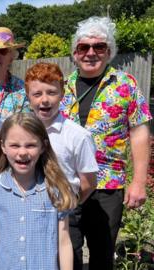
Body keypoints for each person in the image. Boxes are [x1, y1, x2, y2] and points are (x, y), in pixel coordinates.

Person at [60, 16, 152, 269]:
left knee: (102, 253)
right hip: (67, 183)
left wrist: (138, 183)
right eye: (83, 47)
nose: (91, 53)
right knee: (68, 251)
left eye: (99, 47)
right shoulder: (61, 87)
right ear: (75, 53)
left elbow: (140, 132)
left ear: (109, 52)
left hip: (107, 183)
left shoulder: (126, 85)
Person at [0, 113, 77, 270]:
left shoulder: (56, 187)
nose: (22, 152)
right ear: (3, 146)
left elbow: (64, 240)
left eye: (30, 145)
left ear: (43, 146)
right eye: (15, 145)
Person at [25, 62, 98, 203]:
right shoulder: (22, 131)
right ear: (28, 96)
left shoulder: (78, 136)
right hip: (28, 209)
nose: (44, 100)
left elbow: (89, 182)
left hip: (65, 209)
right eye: (37, 94)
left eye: (51, 92)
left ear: (62, 94)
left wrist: (70, 206)